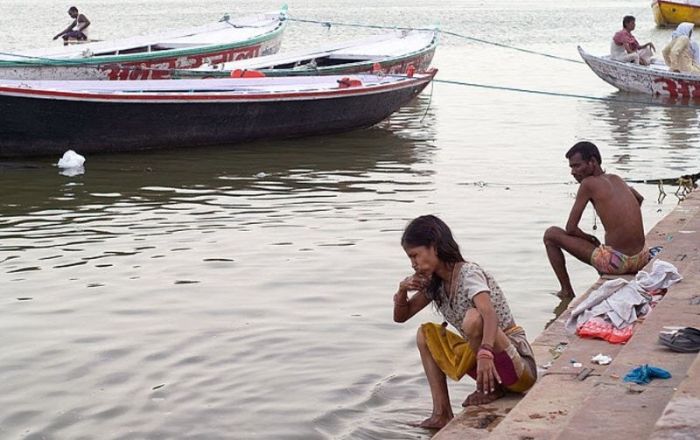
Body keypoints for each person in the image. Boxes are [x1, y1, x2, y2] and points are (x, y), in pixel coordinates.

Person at [393, 215, 536, 430]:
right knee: (425, 334)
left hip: (518, 367)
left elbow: (489, 314)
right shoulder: (436, 283)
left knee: (474, 318)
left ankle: (491, 389)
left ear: (434, 247)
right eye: (410, 258)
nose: (413, 264)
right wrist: (402, 290)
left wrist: (486, 352)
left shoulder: (469, 273)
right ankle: (441, 412)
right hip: (487, 366)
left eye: (415, 256)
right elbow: (401, 316)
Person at [543, 141, 648, 299]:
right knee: (598, 245)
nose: (573, 172)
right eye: (571, 167)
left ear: (592, 162)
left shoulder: (588, 183)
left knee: (551, 234)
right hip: (641, 258)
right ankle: (604, 265)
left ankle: (566, 291)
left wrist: (590, 238)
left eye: (577, 166)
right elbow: (639, 199)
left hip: (619, 263)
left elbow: (570, 228)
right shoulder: (616, 178)